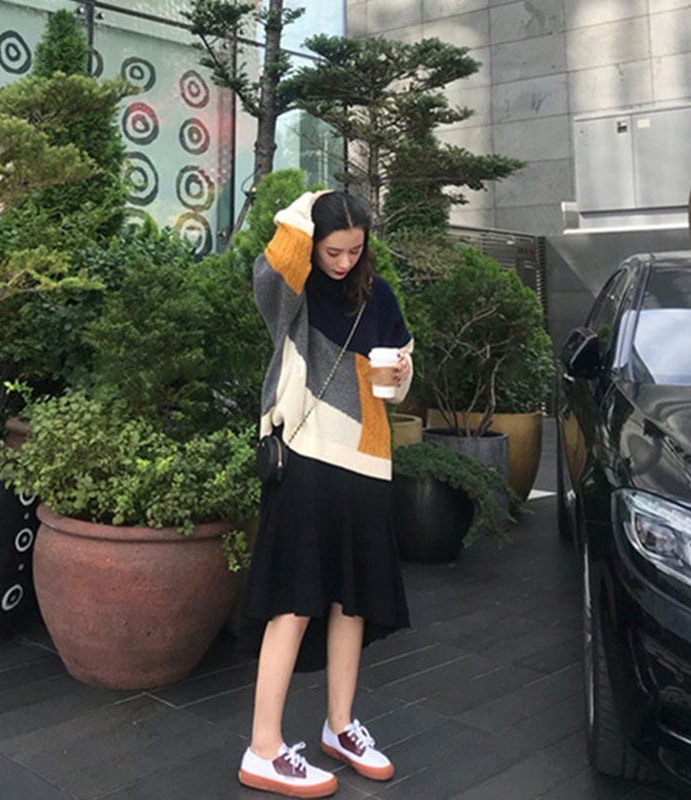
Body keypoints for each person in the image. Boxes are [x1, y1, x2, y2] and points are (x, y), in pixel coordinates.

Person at [237, 190, 414, 798]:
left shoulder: (378, 296)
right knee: (293, 599)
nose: (342, 262)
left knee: (352, 601)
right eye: (333, 250)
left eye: (354, 251)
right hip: (306, 456)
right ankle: (263, 747)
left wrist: (401, 374)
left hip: (366, 458)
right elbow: (271, 267)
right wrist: (308, 206)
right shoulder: (294, 291)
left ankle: (340, 727)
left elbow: (400, 374)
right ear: (314, 243)